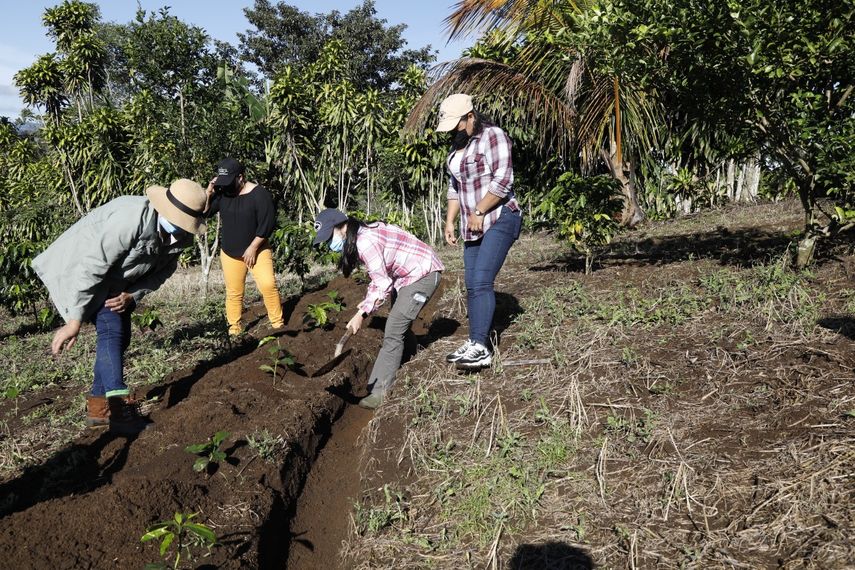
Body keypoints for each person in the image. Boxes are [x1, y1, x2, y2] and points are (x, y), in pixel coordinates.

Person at [32, 179, 208, 434]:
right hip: (81, 271)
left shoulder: (179, 235)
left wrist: (132, 295)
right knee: (111, 331)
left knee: (120, 337)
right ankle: (118, 410)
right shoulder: (130, 219)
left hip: (116, 283)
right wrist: (74, 320)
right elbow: (92, 266)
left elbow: (165, 271)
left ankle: (98, 411)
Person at [312, 209, 444, 409]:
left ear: (342, 227)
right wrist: (366, 303)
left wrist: (361, 313)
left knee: (393, 329)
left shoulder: (365, 242)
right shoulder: (360, 234)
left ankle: (379, 392)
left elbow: (382, 284)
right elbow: (378, 278)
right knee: (398, 323)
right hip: (406, 277)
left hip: (423, 273)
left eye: (330, 237)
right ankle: (411, 354)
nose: (330, 244)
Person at [435, 93, 522, 370]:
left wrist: (480, 211)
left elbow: (504, 179)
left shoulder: (493, 136)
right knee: (472, 284)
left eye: (458, 124)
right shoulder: (456, 150)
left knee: (483, 280)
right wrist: (450, 221)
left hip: (498, 217)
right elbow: (454, 189)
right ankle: (474, 341)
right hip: (472, 225)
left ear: (470, 116)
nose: (455, 131)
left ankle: (482, 349)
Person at [205, 158, 284, 336]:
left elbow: (267, 223)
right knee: (234, 292)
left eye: (229, 181)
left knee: (268, 285)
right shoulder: (223, 192)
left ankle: (278, 324)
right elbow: (206, 212)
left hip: (257, 250)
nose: (225, 186)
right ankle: (234, 330)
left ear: (240, 177)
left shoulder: (259, 194)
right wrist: (209, 193)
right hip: (230, 253)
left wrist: (253, 247)